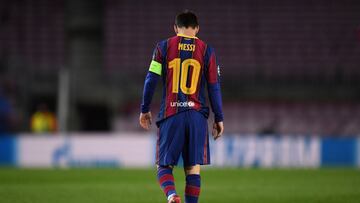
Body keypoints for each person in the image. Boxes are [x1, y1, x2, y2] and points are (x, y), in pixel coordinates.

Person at [139, 10, 224, 203]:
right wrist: (219, 118)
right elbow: (214, 86)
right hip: (196, 116)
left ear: (175, 28)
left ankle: (171, 195)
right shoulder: (207, 50)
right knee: (192, 169)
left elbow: (150, 80)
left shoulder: (163, 47)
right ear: (197, 29)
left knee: (163, 167)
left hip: (171, 114)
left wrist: (144, 109)